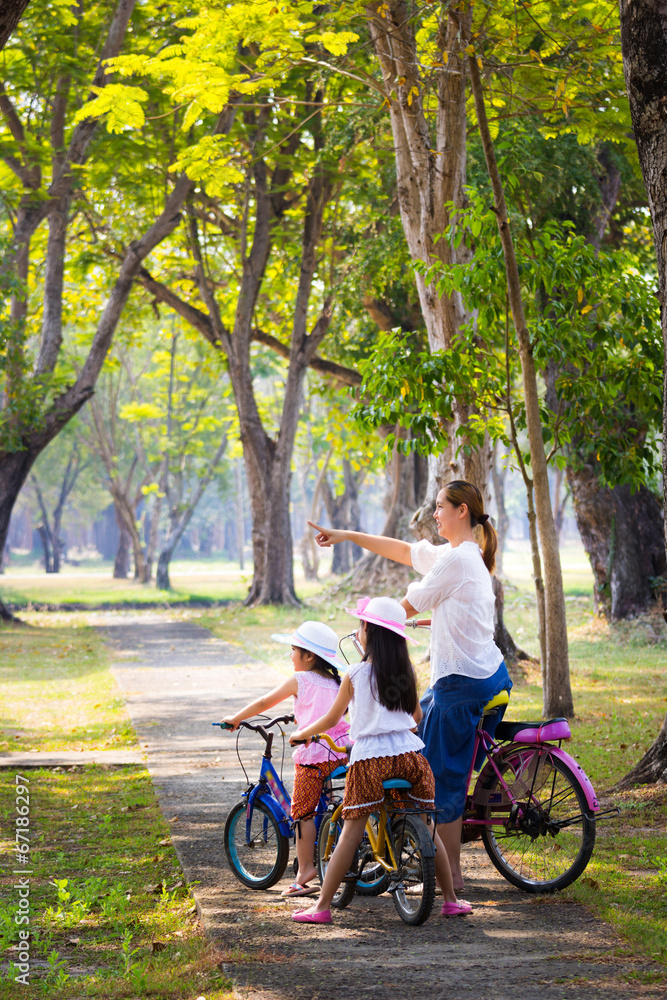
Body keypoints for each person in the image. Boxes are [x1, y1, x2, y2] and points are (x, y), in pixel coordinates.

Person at [308, 480, 512, 891]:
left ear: (462, 512)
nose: (434, 513)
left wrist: (372, 627)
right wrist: (345, 534)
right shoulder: (460, 554)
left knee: (441, 782)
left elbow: (404, 607)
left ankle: (450, 878)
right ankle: (431, 850)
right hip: (487, 673)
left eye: (440, 507)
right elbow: (403, 551)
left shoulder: (456, 562)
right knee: (416, 720)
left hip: (463, 683)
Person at [288, 596, 472, 924]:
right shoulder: (405, 673)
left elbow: (332, 720)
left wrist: (303, 734)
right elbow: (415, 716)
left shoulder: (355, 674)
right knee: (428, 827)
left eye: (361, 626)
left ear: (368, 633)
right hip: (412, 759)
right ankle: (452, 900)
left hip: (371, 762)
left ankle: (321, 906)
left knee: (351, 832)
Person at [221, 620, 349, 898]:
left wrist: (235, 718)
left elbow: (264, 703)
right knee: (323, 799)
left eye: (293, 650)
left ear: (309, 656)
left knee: (302, 811)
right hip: (340, 752)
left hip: (314, 756)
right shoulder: (337, 680)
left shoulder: (300, 680)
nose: (290, 655)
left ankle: (305, 871)